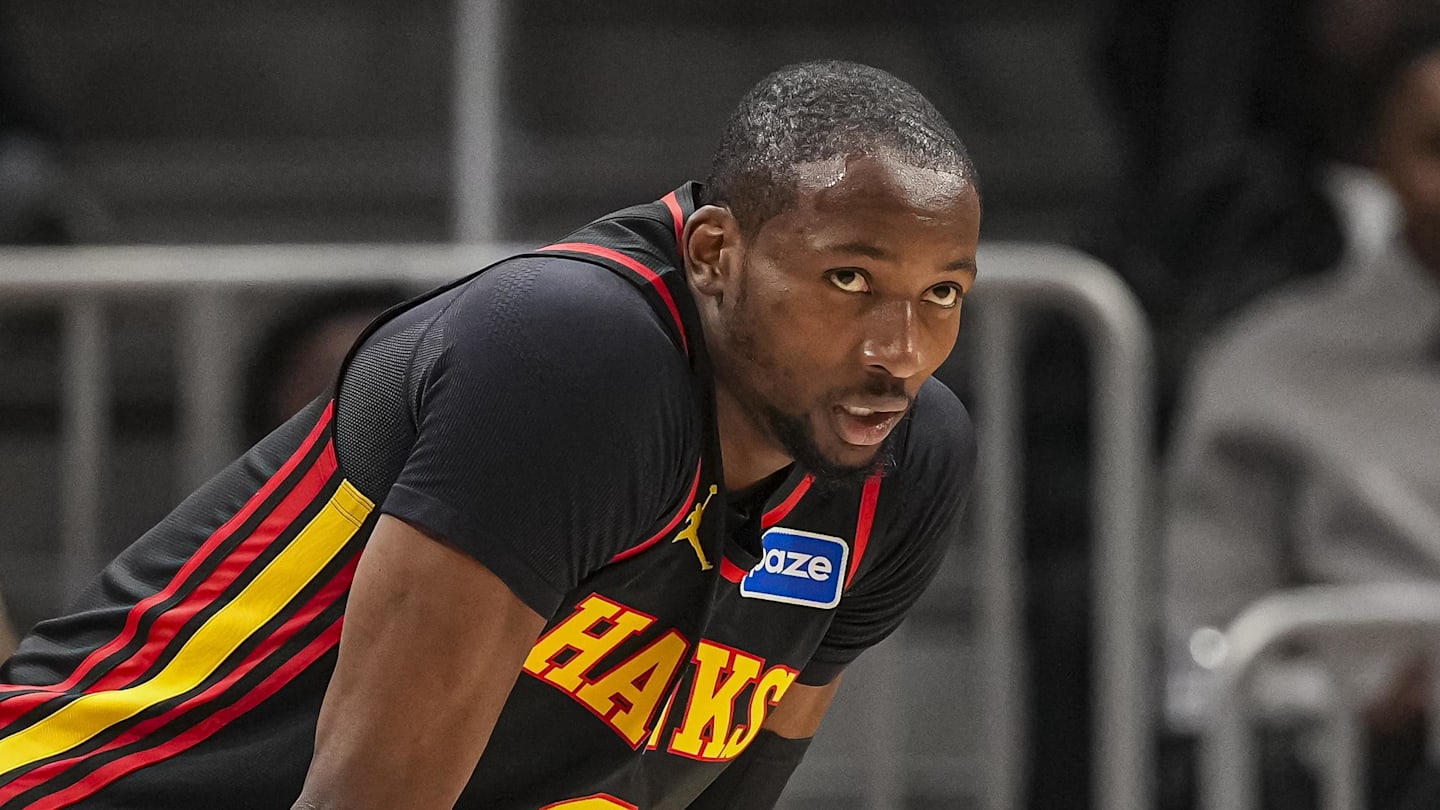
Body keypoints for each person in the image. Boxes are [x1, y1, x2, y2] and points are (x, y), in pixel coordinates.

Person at [0, 61, 981, 809]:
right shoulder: (574, 359)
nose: (899, 351)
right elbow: (366, 801)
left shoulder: (906, 460)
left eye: (942, 294)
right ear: (715, 253)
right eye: (849, 281)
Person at [1163, 27, 1440, 810]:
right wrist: (1360, 714)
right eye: (1438, 148)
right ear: (1375, 163)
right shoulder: (1264, 369)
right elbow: (1204, 660)